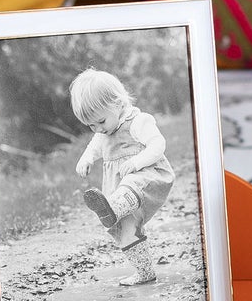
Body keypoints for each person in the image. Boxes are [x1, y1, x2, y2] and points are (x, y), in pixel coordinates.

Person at [70, 68, 175, 287]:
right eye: (91, 125)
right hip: (122, 191)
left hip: (145, 176)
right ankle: (144, 271)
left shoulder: (137, 122)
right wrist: (86, 159)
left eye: (100, 121)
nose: (98, 129)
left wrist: (137, 162)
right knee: (126, 231)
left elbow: (158, 144)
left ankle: (112, 208)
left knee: (130, 183)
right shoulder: (102, 133)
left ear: (118, 104)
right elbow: (94, 148)